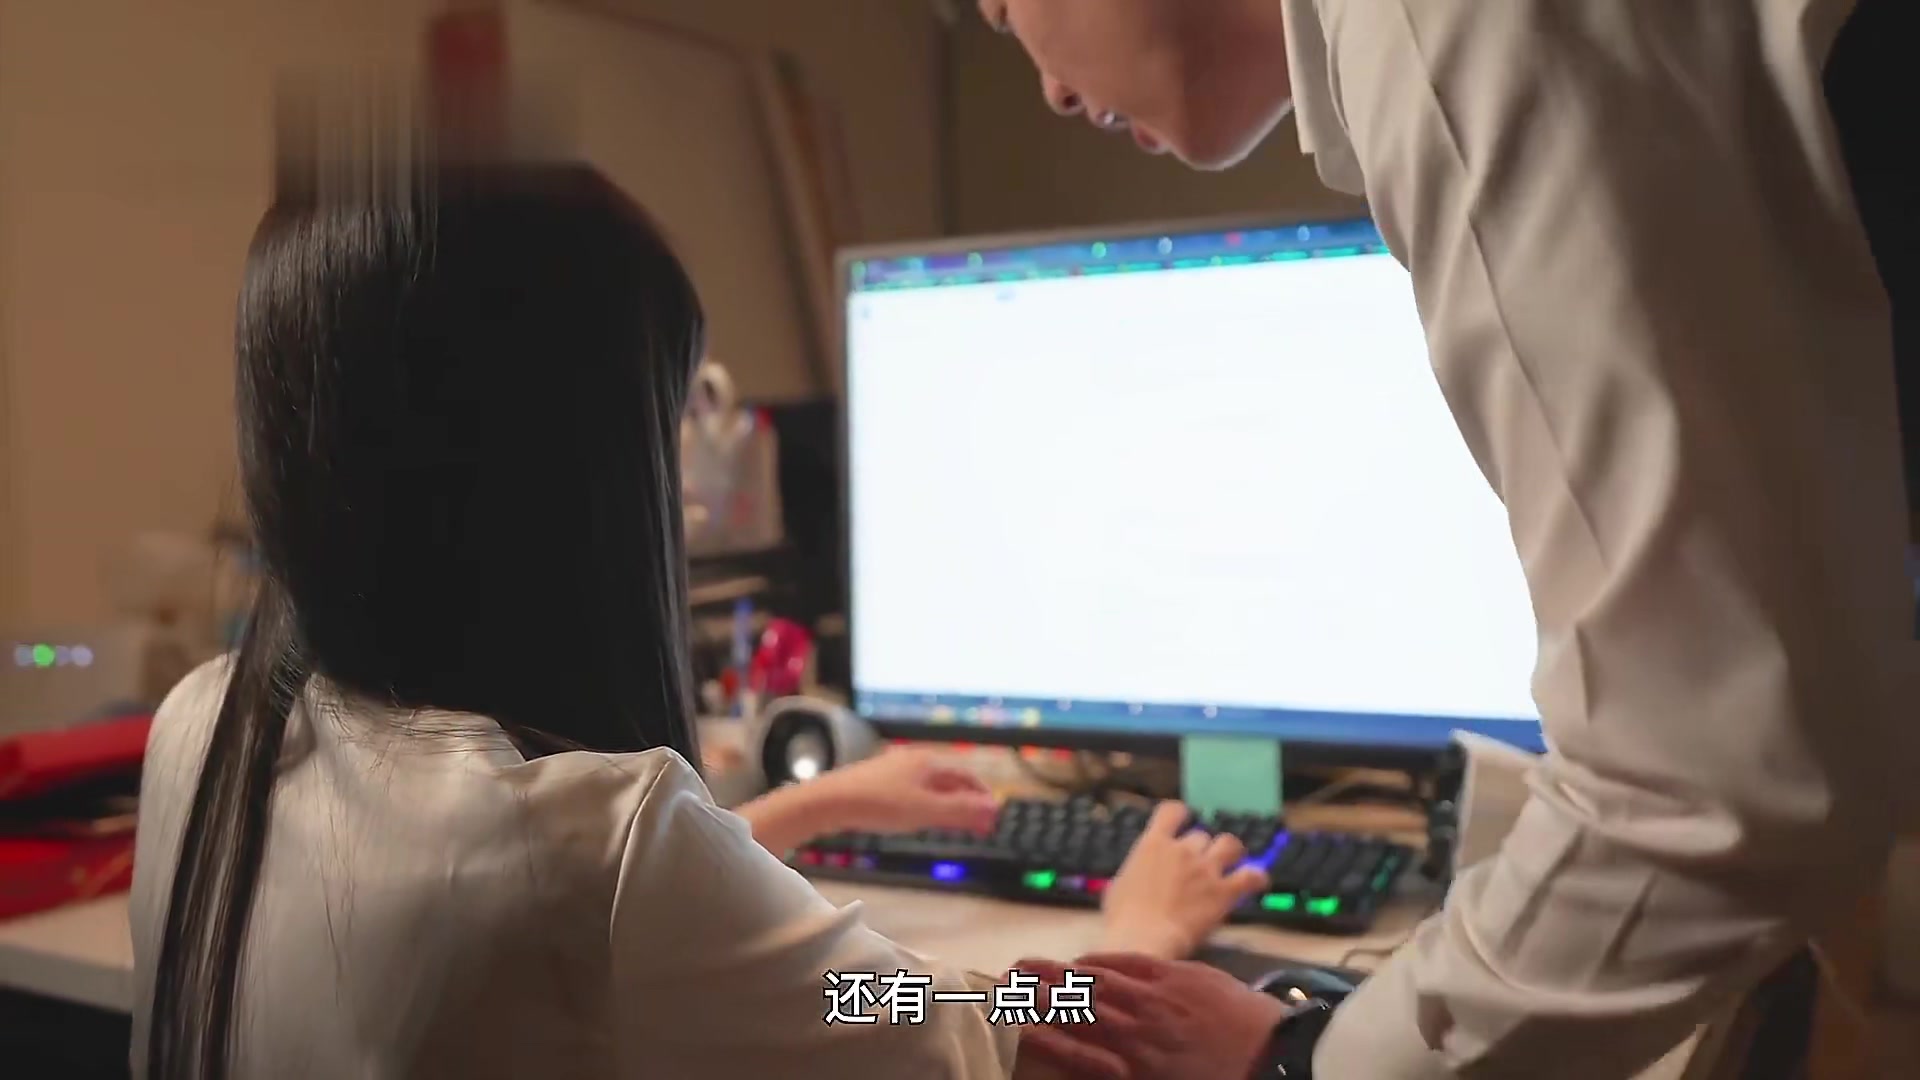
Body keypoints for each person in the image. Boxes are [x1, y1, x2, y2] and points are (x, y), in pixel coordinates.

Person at [128, 159, 1270, 1078]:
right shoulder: (598, 854)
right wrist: (1128, 950)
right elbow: (920, 1018)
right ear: (570, 480)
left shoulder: (203, 727)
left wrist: (808, 808)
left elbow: (617, 948)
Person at [982, 0, 1917, 1077]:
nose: (1050, 89)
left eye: (1004, 7)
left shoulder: (1453, 27)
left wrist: (1305, 1060)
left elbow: (1706, 772)